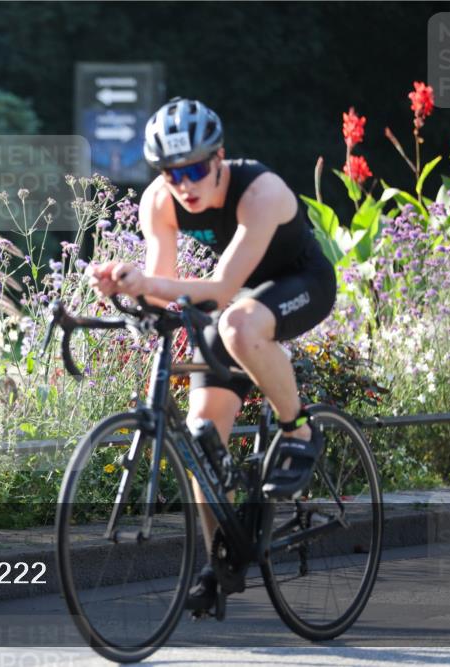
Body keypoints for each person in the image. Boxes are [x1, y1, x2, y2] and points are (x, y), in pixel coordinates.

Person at [85, 97, 337, 613]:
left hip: (300, 282)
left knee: (238, 323)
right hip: (237, 306)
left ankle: (299, 429)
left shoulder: (259, 191)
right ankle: (218, 561)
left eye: (196, 169)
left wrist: (151, 283)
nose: (186, 185)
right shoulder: (160, 199)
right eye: (172, 174)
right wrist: (121, 284)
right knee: (203, 436)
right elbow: (160, 289)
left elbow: (222, 288)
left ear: (220, 157)